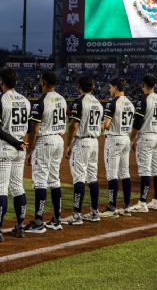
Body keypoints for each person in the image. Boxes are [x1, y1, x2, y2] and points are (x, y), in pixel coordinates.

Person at [0, 68, 31, 242]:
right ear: (16, 82)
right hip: (19, 147)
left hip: (4, 147)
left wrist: (14, 142)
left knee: (1, 189)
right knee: (18, 187)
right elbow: (29, 127)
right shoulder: (25, 100)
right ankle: (20, 227)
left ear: (2, 82)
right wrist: (18, 142)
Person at [23, 72, 68, 232]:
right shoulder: (62, 99)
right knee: (54, 179)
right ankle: (57, 219)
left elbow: (34, 129)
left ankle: (38, 221)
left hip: (45, 140)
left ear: (43, 82)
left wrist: (29, 151)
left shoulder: (41, 101)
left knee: (40, 181)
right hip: (59, 140)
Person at [62, 76, 103, 225]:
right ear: (92, 87)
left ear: (79, 86)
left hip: (82, 142)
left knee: (79, 177)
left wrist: (68, 145)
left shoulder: (79, 102)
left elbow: (74, 125)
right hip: (94, 142)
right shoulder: (98, 103)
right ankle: (94, 212)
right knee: (92, 177)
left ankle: (77, 214)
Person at [129, 75, 157, 211]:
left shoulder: (144, 99)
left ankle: (142, 202)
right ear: (154, 85)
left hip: (147, 136)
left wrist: (132, 139)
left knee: (145, 170)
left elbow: (137, 122)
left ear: (143, 85)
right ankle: (156, 201)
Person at [100, 78, 135, 217]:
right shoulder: (130, 103)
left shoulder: (112, 103)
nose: (109, 90)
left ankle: (112, 207)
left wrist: (100, 123)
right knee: (125, 173)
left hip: (114, 139)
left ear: (115, 87)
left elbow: (106, 125)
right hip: (126, 138)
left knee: (112, 174)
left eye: (110, 87)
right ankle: (127, 207)